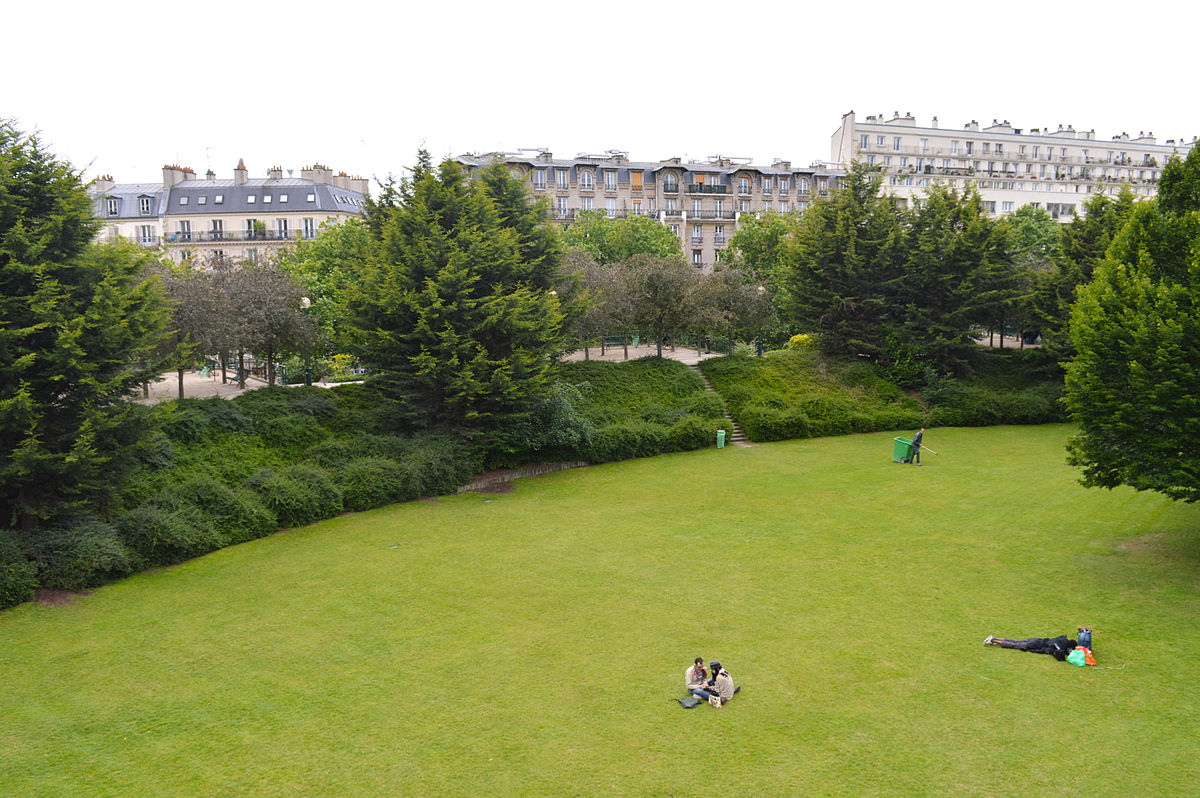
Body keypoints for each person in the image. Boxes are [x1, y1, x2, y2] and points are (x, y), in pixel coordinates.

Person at [983, 633, 1077, 661]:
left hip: (1036, 640)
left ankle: (994, 639)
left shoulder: (1062, 639)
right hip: (1035, 644)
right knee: (1015, 645)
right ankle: (992, 640)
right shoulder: (1060, 645)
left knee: (1015, 642)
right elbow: (1058, 654)